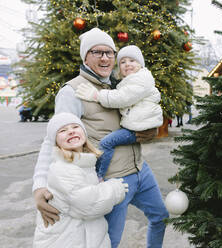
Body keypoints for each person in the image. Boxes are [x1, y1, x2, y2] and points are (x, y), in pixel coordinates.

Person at [33, 27, 169, 248]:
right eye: (97, 52)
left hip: (140, 170)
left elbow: (140, 113)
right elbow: (52, 140)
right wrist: (39, 185)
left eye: (110, 52)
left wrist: (151, 130)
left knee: (161, 217)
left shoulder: (119, 85)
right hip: (112, 180)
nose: (105, 58)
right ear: (85, 56)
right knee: (108, 242)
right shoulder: (73, 91)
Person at [33, 112, 128, 248]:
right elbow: (89, 205)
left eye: (75, 127)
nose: (71, 132)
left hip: (84, 236)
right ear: (56, 142)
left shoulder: (84, 163)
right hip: (66, 240)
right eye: (63, 130)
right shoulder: (63, 169)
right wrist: (115, 188)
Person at [75, 45, 163, 181]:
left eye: (132, 61)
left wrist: (97, 96)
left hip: (138, 129)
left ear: (141, 64)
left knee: (106, 143)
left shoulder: (140, 80)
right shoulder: (129, 81)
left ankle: (98, 175)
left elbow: (122, 98)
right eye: (123, 62)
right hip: (137, 128)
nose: (127, 64)